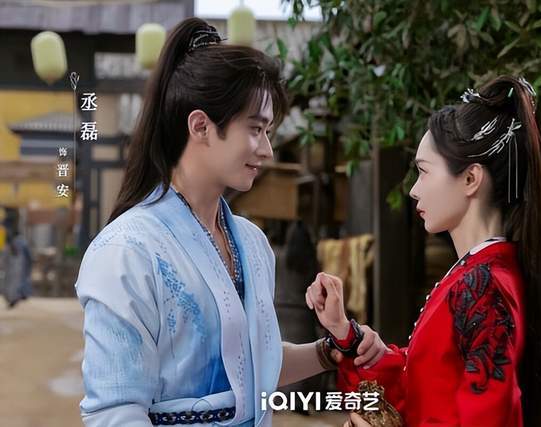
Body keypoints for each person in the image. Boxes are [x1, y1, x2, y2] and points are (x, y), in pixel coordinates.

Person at [75, 18, 382, 427]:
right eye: (255, 129)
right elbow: (114, 412)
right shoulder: (125, 251)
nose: (267, 149)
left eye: (268, 131)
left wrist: (331, 350)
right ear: (201, 126)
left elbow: (252, 368)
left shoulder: (252, 244)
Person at [306, 76, 541, 427]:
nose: (413, 191)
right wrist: (347, 335)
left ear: (470, 179)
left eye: (423, 172)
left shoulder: (484, 286)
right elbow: (420, 385)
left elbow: (484, 417)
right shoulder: (480, 275)